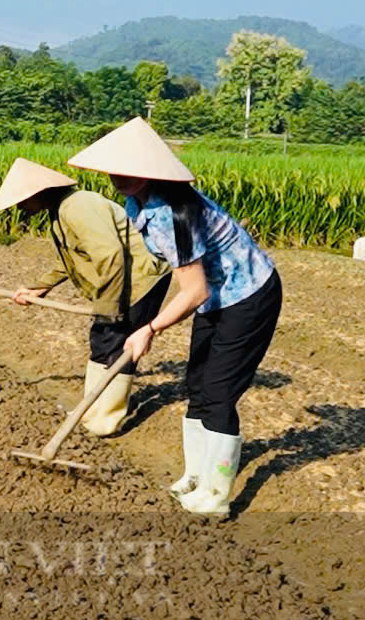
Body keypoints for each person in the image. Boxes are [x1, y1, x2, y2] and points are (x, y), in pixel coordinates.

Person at [67, 118, 283, 516]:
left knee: (219, 393)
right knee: (196, 385)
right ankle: (195, 476)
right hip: (215, 297)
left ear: (151, 172)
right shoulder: (138, 204)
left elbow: (194, 289)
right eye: (115, 169)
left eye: (130, 170)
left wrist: (150, 328)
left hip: (249, 296)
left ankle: (216, 494)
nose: (120, 177)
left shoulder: (170, 213)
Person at [0, 157, 171, 436]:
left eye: (21, 201)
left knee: (118, 345)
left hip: (141, 281)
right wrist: (40, 287)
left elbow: (110, 256)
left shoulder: (78, 206)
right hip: (123, 281)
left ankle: (105, 420)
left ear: (37, 193)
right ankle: (91, 409)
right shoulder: (60, 212)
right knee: (102, 340)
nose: (20, 208)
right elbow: (73, 259)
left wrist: (108, 308)